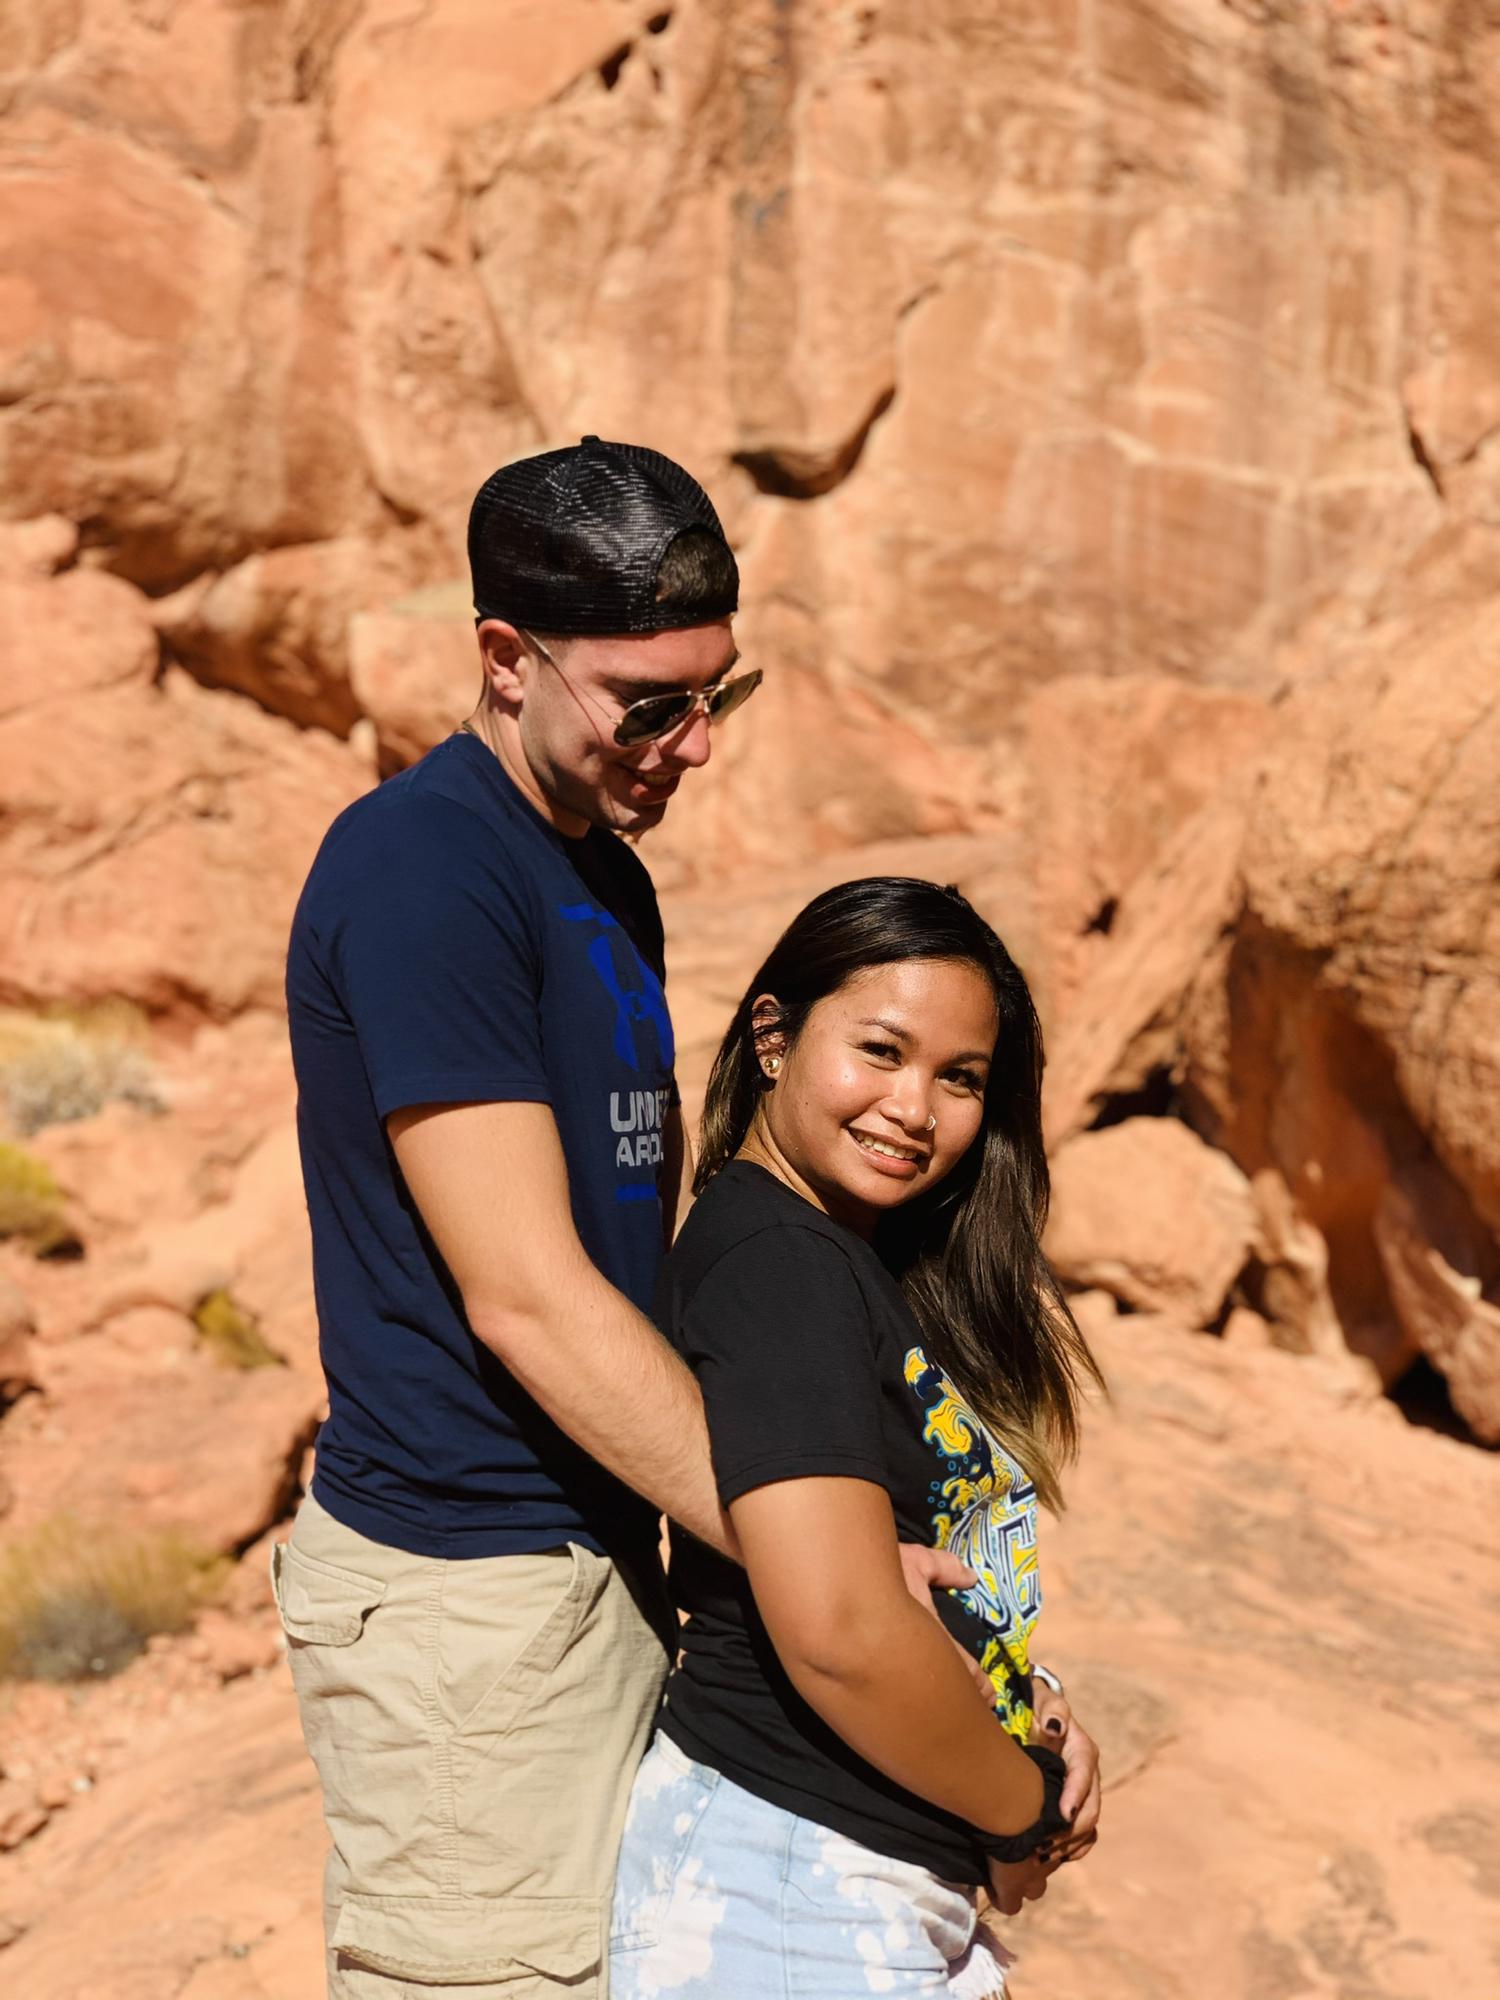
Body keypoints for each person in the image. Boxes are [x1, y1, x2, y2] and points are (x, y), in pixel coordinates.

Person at [276, 440, 1003, 1999]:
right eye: (647, 703)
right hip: (472, 1596)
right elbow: (527, 1295)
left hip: (597, 1558)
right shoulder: (424, 870)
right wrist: (823, 1560)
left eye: (714, 698)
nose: (689, 746)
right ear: (504, 658)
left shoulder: (599, 874)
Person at [610, 876, 1105, 1999]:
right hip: (787, 1878)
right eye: (880, 1049)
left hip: (840, 1877)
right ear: (774, 1036)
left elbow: (913, 1573)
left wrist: (1032, 1714)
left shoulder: (845, 1259)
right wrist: (1018, 1806)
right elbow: (838, 1625)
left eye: (960, 1077)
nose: (915, 1107)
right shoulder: (781, 1263)